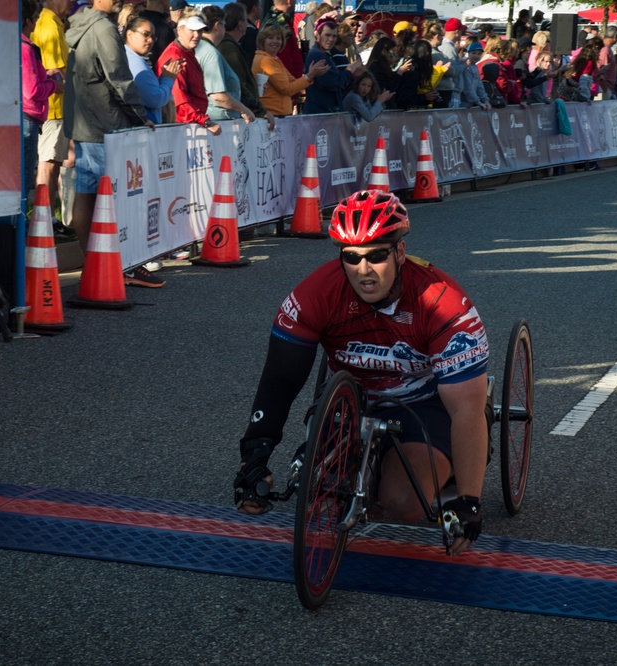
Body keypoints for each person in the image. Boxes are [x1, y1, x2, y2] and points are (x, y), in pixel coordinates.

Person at [234, 190, 491, 557]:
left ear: (400, 253)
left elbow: (465, 411)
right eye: (351, 258)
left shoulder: (443, 305)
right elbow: (280, 382)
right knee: (319, 487)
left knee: (402, 502)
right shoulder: (316, 295)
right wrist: (254, 460)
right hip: (352, 398)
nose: (364, 271)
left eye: (377, 256)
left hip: (423, 404)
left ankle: (445, 471)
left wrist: (469, 499)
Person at [64, 0, 161, 288]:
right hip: (105, 125)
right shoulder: (104, 28)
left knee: (86, 195)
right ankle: (114, 268)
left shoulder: (80, 25)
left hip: (84, 123)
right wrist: (140, 117)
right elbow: (118, 79)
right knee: (111, 199)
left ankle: (95, 265)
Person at [31, 0, 75, 230]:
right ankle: (43, 220)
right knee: (48, 164)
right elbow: (55, 72)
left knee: (53, 164)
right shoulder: (48, 24)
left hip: (55, 107)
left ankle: (47, 217)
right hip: (53, 108)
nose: (72, 3)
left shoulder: (53, 22)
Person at [21, 0, 64, 213]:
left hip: (27, 117)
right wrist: (53, 85)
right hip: (28, 118)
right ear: (28, 21)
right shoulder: (26, 47)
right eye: (35, 20)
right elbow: (32, 91)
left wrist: (43, 75)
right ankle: (22, 229)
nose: (36, 25)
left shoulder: (18, 45)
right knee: (24, 179)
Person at [157, 11, 223, 135]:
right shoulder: (175, 56)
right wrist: (205, 121)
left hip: (187, 124)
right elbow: (179, 99)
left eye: (200, 31)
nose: (197, 35)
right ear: (179, 31)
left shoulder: (187, 52)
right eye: (192, 30)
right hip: (179, 126)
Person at [196, 6, 257, 124]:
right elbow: (218, 95)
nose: (225, 29)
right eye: (224, 25)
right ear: (217, 26)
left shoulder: (199, 48)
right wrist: (244, 109)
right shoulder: (210, 53)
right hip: (219, 120)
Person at [252, 23, 329, 116]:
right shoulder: (265, 61)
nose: (275, 41)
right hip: (271, 115)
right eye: (270, 38)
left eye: (278, 38)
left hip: (277, 115)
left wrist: (310, 75)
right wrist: (309, 76)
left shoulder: (274, 59)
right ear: (262, 40)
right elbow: (286, 89)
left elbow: (292, 82)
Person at [218, 2, 274, 129]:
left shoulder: (230, 46)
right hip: (234, 117)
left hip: (238, 113)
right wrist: (260, 110)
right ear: (241, 24)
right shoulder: (229, 48)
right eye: (245, 21)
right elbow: (238, 85)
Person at [125, 12, 180, 124]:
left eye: (153, 37)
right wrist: (168, 79)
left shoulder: (131, 57)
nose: (150, 40)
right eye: (145, 34)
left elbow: (146, 91)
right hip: (143, 132)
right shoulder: (135, 62)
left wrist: (162, 77)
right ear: (129, 34)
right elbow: (155, 99)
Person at [302, 18, 365, 114]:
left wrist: (351, 75)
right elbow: (335, 83)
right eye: (327, 35)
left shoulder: (324, 53)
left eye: (334, 36)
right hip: (320, 114)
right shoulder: (318, 55)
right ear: (318, 35)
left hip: (326, 112)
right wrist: (349, 72)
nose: (331, 39)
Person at [365, 37, 412, 108]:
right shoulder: (375, 67)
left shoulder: (383, 67)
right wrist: (400, 72)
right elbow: (387, 88)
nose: (394, 57)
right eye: (392, 54)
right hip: (380, 108)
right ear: (384, 52)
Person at [139, 0, 176, 65]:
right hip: (156, 72)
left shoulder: (134, 21)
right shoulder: (164, 29)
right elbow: (169, 60)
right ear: (163, 1)